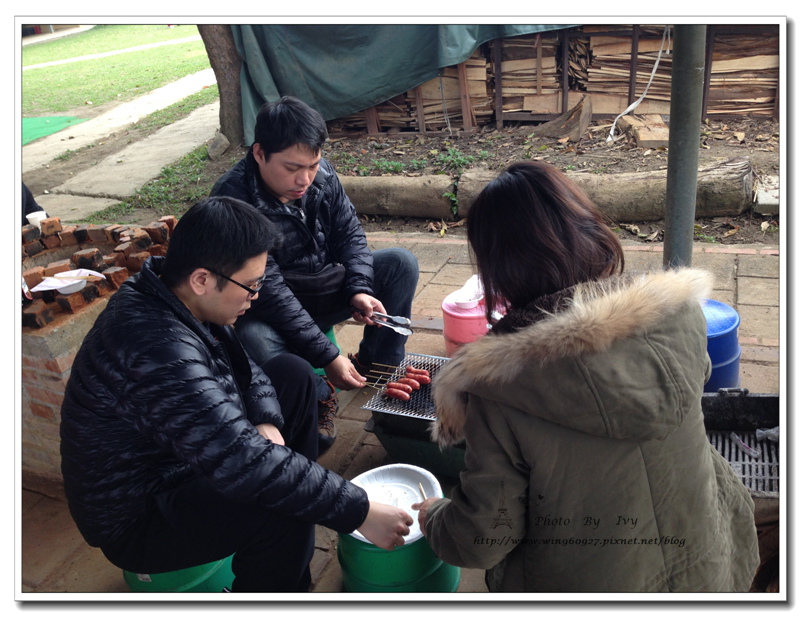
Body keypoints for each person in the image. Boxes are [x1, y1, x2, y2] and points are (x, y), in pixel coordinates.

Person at [412, 161, 760, 592]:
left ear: (498, 270)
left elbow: (485, 538)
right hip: (712, 563)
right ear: (589, 229)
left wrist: (437, 517)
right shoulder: (681, 313)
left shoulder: (500, 388)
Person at [60, 196, 413, 593]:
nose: (256, 295)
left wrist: (264, 418)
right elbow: (238, 456)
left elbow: (248, 369)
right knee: (278, 510)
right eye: (252, 284)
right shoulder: (154, 348)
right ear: (202, 279)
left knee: (292, 375)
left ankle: (291, 504)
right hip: (141, 511)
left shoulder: (178, 295)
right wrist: (359, 510)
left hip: (184, 456)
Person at [210, 96, 419, 452]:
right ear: (259, 153)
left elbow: (350, 235)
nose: (304, 179)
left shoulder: (321, 176)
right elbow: (271, 291)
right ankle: (321, 395)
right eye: (292, 168)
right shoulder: (234, 203)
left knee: (400, 263)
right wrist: (327, 357)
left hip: (324, 285)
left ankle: (378, 365)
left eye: (313, 164)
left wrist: (358, 289)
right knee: (253, 338)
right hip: (272, 306)